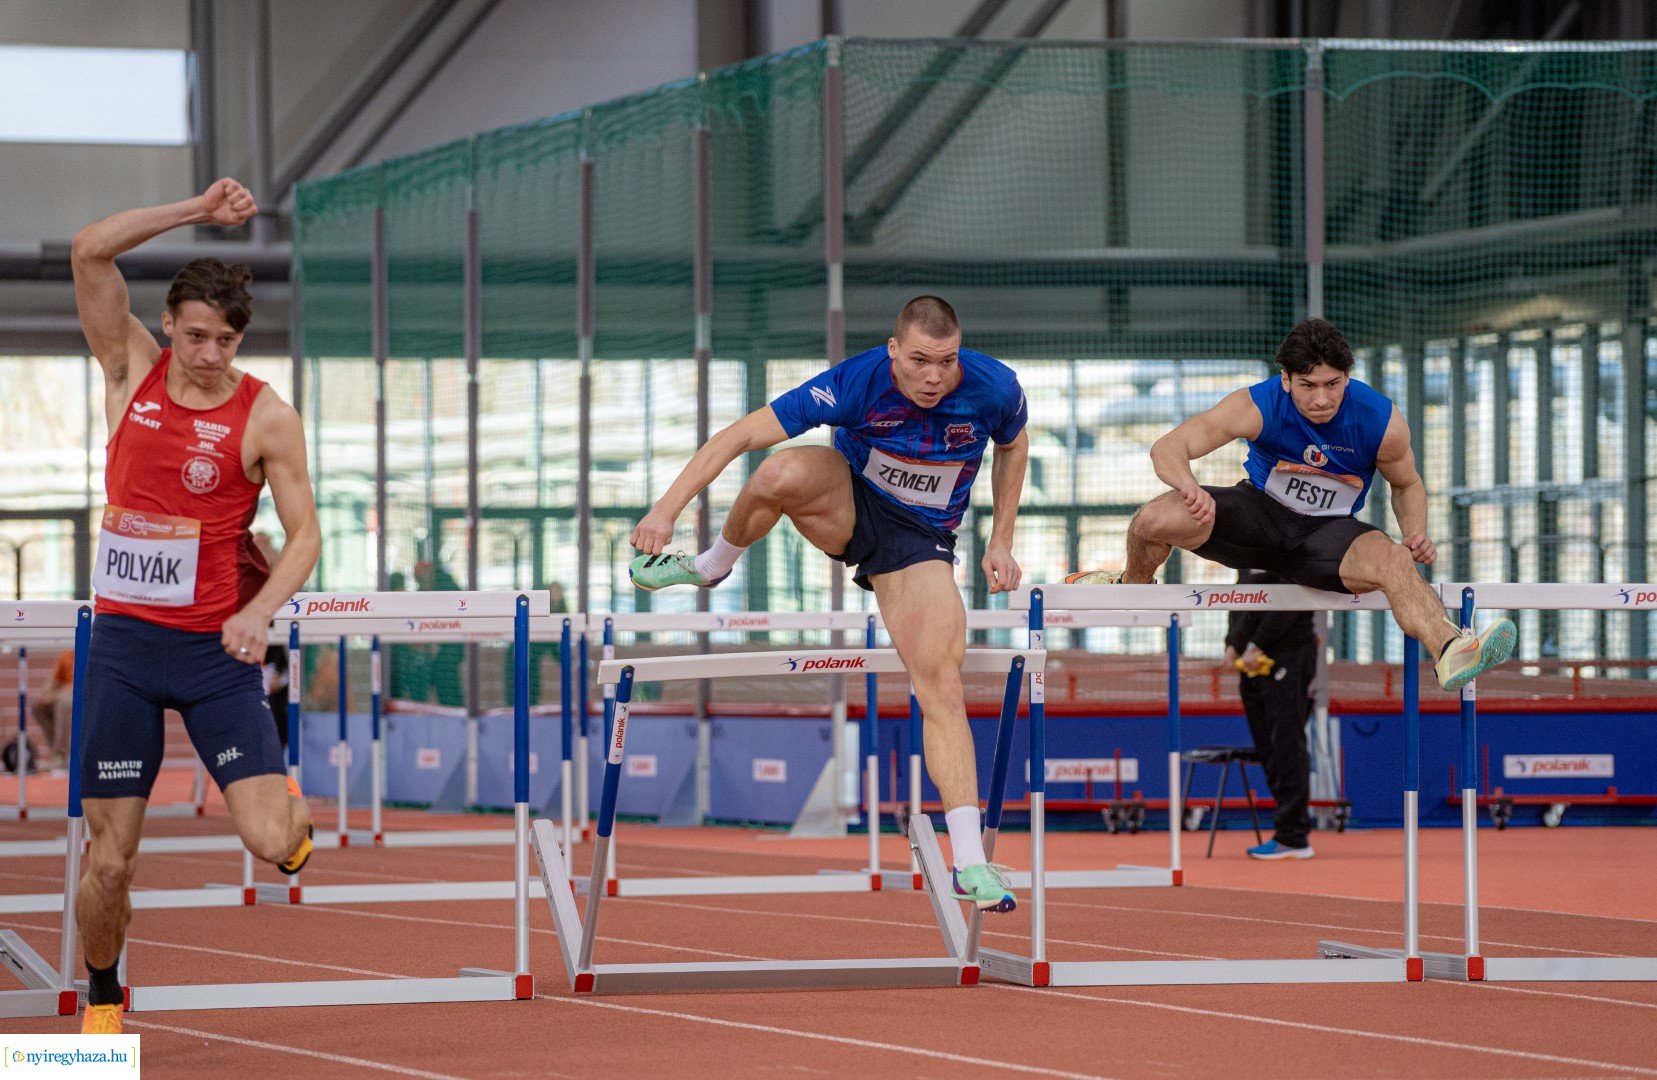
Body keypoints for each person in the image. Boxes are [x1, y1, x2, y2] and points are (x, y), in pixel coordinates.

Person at [627, 296, 1030, 912]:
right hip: (848, 501)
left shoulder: (994, 387)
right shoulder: (856, 381)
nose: (932, 377)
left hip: (919, 543)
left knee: (940, 684)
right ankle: (711, 566)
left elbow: (1013, 445)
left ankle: (969, 862)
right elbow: (737, 436)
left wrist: (1001, 540)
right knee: (779, 472)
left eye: (945, 362)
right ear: (894, 350)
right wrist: (664, 510)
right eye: (919, 360)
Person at [70, 178, 321, 1033]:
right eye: (198, 336)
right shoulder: (131, 370)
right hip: (124, 653)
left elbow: (306, 537)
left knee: (268, 844)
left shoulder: (267, 416)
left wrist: (260, 615)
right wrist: (193, 212)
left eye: (228, 340)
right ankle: (103, 1002)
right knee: (110, 865)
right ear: (170, 325)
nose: (212, 354)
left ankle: (291, 819)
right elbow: (90, 250)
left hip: (216, 655)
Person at [1068, 318, 1514, 693]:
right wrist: (1189, 486)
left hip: (1327, 535)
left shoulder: (1380, 421)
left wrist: (1415, 531)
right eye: (1307, 386)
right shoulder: (1258, 404)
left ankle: (1451, 650)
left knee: (1395, 559)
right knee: (1156, 517)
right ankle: (1133, 587)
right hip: (1256, 516)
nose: (1321, 399)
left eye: (1332, 385)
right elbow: (1171, 445)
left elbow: (1407, 483)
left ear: (1348, 377)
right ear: (1286, 379)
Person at [1223, 570, 1317, 860]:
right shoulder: (1247, 553)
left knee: (1287, 744)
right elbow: (1242, 600)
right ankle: (1287, 830)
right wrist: (1232, 644)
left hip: (1287, 657)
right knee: (1269, 748)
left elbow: (1288, 601)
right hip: (1251, 666)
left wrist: (1256, 645)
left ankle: (1293, 836)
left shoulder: (1290, 546)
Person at [22, 649, 75, 770]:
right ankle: (57, 753)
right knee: (37, 705)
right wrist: (44, 695)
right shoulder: (67, 655)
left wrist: (53, 696)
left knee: (63, 703)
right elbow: (55, 680)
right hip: (63, 694)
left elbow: (77, 684)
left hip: (80, 695)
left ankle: (60, 754)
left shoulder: (89, 654)